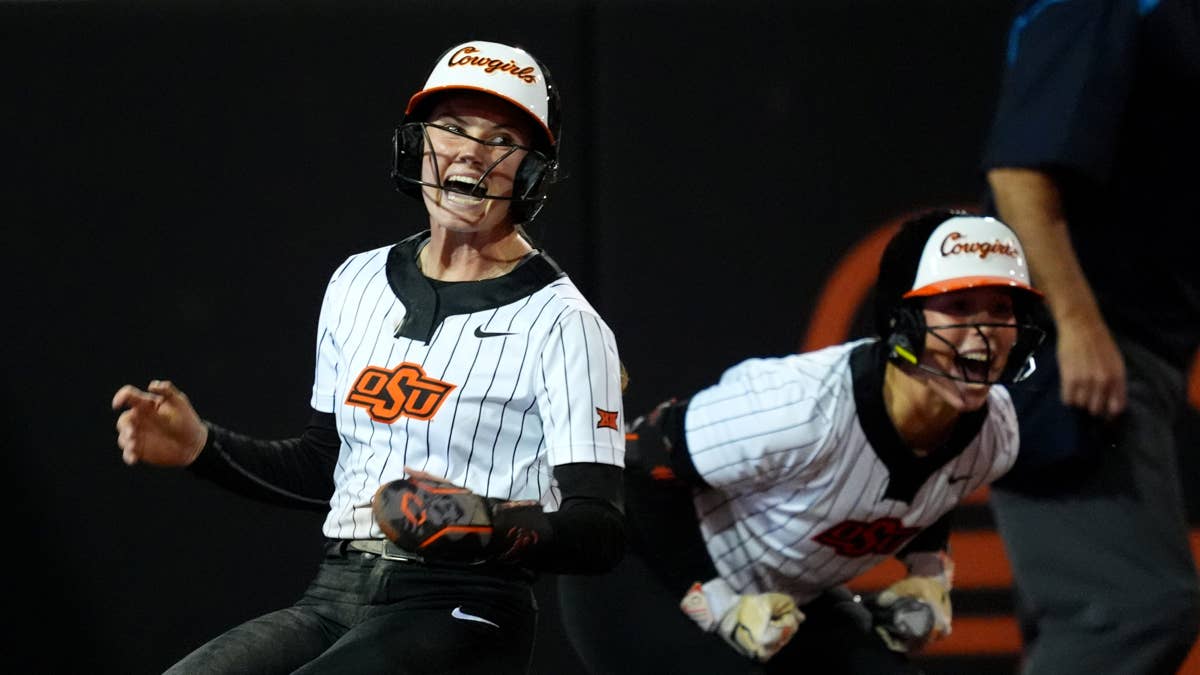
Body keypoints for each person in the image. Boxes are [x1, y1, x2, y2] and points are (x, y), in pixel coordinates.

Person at [111, 40, 627, 675]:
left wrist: (486, 525)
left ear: (532, 170)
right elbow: (322, 464)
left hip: (467, 605)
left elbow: (599, 528)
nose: (470, 151)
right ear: (419, 143)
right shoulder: (356, 282)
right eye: (453, 128)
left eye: (501, 139)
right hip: (335, 594)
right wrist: (203, 449)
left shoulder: (566, 324)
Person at [558, 208, 1048, 674]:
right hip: (641, 569)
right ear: (902, 318)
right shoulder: (802, 408)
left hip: (782, 595)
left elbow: (936, 483)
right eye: (959, 307)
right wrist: (718, 603)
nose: (984, 334)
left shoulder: (994, 432)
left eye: (1001, 310)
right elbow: (632, 470)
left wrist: (927, 572)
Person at [978, 1, 1200, 673]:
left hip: (1135, 353)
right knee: (1132, 609)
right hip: (1079, 356)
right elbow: (1019, 173)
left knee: (1097, 616)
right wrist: (1076, 323)